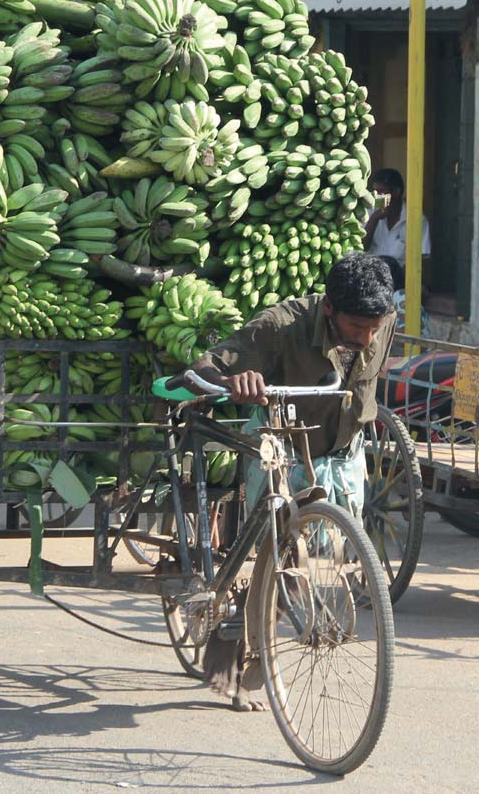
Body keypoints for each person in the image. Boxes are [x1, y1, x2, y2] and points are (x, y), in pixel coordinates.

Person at [182, 252, 397, 711]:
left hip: (344, 451)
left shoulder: (381, 319)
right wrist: (235, 380)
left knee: (323, 554)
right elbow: (204, 368)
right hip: (283, 447)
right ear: (328, 310)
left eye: (375, 328)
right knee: (281, 557)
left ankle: (250, 637)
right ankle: (230, 656)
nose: (368, 338)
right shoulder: (281, 325)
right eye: (357, 327)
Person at [364, 168, 430, 275]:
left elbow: (423, 259)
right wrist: (374, 219)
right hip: (371, 276)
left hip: (401, 280)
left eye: (381, 192)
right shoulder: (370, 212)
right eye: (375, 193)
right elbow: (361, 247)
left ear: (396, 192)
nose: (377, 197)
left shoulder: (416, 219)